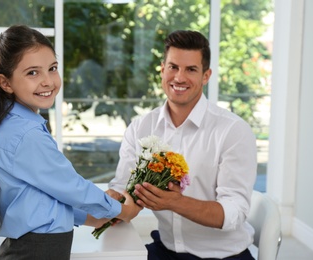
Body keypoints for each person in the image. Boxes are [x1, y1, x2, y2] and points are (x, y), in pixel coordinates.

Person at [0, 24, 141, 260]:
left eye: (52, 68)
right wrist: (121, 210)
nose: (47, 81)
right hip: (36, 250)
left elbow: (45, 197)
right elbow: (70, 186)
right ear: (6, 83)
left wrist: (92, 217)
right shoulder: (26, 133)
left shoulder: (19, 125)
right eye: (32, 73)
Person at [107, 30, 257, 259]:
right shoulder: (140, 127)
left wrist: (177, 203)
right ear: (162, 69)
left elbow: (234, 212)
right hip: (165, 249)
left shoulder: (233, 131)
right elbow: (123, 189)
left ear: (206, 76)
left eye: (191, 70)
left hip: (223, 256)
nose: (179, 77)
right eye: (173, 67)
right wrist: (110, 200)